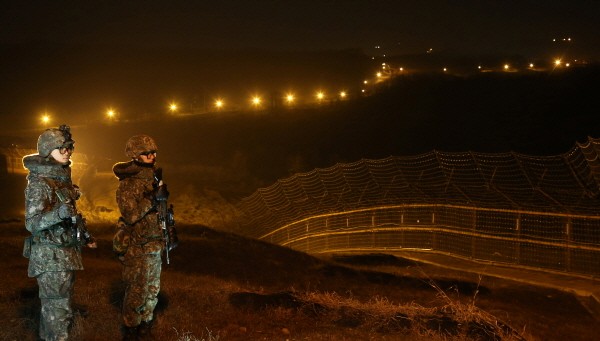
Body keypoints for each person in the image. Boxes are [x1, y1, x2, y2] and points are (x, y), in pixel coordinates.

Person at [23, 124, 97, 341]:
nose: (67, 152)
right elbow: (32, 223)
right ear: (47, 151)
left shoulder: (60, 178)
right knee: (58, 314)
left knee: (58, 312)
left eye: (69, 148)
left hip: (63, 256)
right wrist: (60, 213)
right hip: (50, 259)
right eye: (61, 148)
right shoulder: (39, 183)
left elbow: (70, 215)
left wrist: (84, 235)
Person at [112, 134, 170, 340]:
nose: (152, 155)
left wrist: (168, 234)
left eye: (154, 152)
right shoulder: (128, 184)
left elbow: (161, 213)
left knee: (153, 290)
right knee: (137, 290)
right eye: (147, 153)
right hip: (137, 246)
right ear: (135, 155)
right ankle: (131, 328)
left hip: (155, 244)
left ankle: (146, 324)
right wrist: (152, 200)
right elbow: (130, 216)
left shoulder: (154, 178)